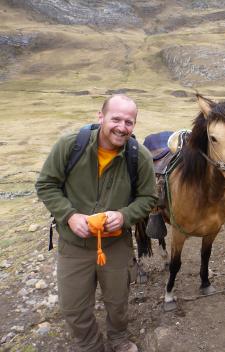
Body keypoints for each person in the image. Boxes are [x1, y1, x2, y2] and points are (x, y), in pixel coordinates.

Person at [36, 95, 157, 352]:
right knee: (73, 307)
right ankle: (90, 346)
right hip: (73, 246)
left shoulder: (139, 157)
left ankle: (118, 339)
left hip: (116, 246)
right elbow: (46, 185)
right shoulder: (70, 146)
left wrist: (125, 216)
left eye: (129, 122)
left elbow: (148, 198)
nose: (122, 127)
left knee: (118, 301)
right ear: (100, 117)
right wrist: (69, 215)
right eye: (116, 119)